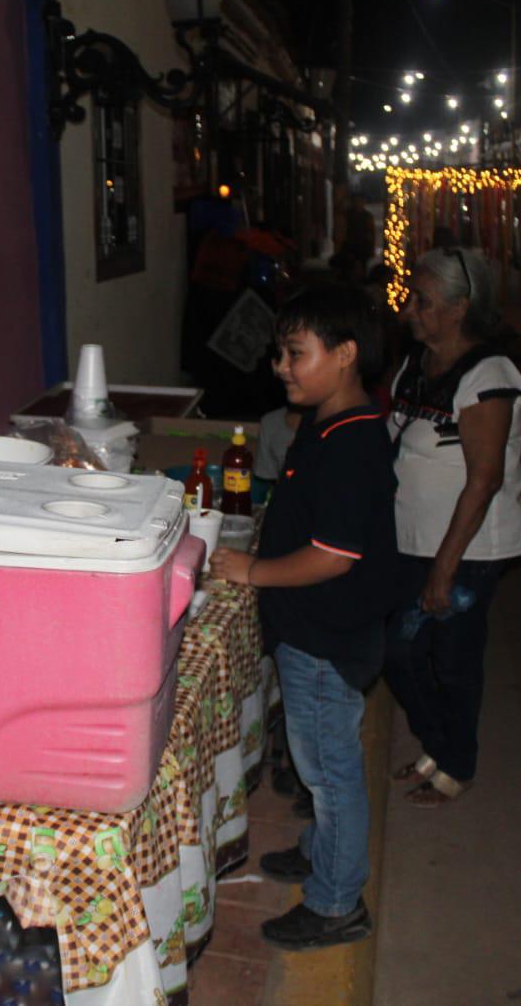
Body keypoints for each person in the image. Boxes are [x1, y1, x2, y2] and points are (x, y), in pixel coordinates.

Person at [210, 286, 397, 951]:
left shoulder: (350, 445)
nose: (280, 367)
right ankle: (323, 849)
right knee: (321, 758)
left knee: (328, 771)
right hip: (316, 630)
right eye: (279, 354)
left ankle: (337, 902)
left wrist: (253, 571)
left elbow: (333, 555)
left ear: (344, 354)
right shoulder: (328, 423)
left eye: (295, 353)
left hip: (326, 634)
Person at [384, 247, 521, 808]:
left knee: (452, 659)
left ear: (459, 307)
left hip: (468, 548)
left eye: (422, 301)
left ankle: (458, 762)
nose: (409, 310)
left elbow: (485, 479)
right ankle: (439, 744)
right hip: (412, 538)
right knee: (398, 652)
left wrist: (445, 567)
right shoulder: (416, 365)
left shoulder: (490, 376)